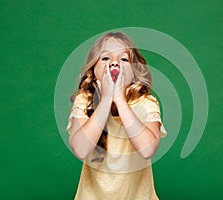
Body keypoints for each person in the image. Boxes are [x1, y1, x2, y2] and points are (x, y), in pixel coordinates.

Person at [66, 32, 167, 200]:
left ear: (134, 72)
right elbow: (81, 149)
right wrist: (105, 100)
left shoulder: (147, 102)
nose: (114, 62)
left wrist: (120, 100)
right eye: (105, 58)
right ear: (93, 69)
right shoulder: (84, 100)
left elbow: (147, 149)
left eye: (124, 59)